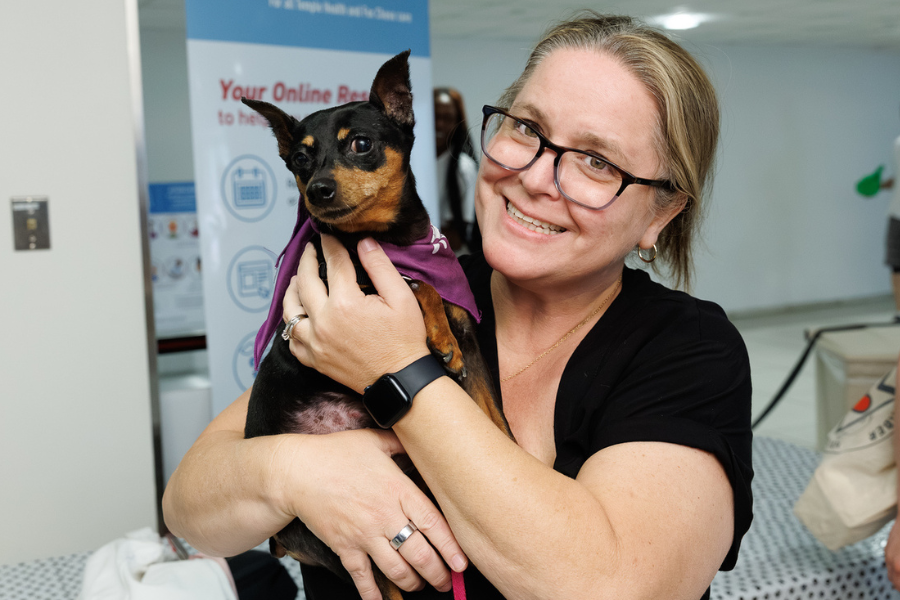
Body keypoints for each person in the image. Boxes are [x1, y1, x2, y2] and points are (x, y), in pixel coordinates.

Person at [163, 13, 753, 600]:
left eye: (597, 161)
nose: (537, 179)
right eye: (526, 128)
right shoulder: (401, 288)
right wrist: (299, 474)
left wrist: (395, 369)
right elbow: (189, 507)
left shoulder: (688, 350)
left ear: (661, 214)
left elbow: (612, 586)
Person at [434, 87, 481, 253]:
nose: (439, 124)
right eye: (435, 116)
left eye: (447, 118)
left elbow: (457, 236)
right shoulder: (413, 160)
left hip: (450, 255)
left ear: (457, 122)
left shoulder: (463, 167)